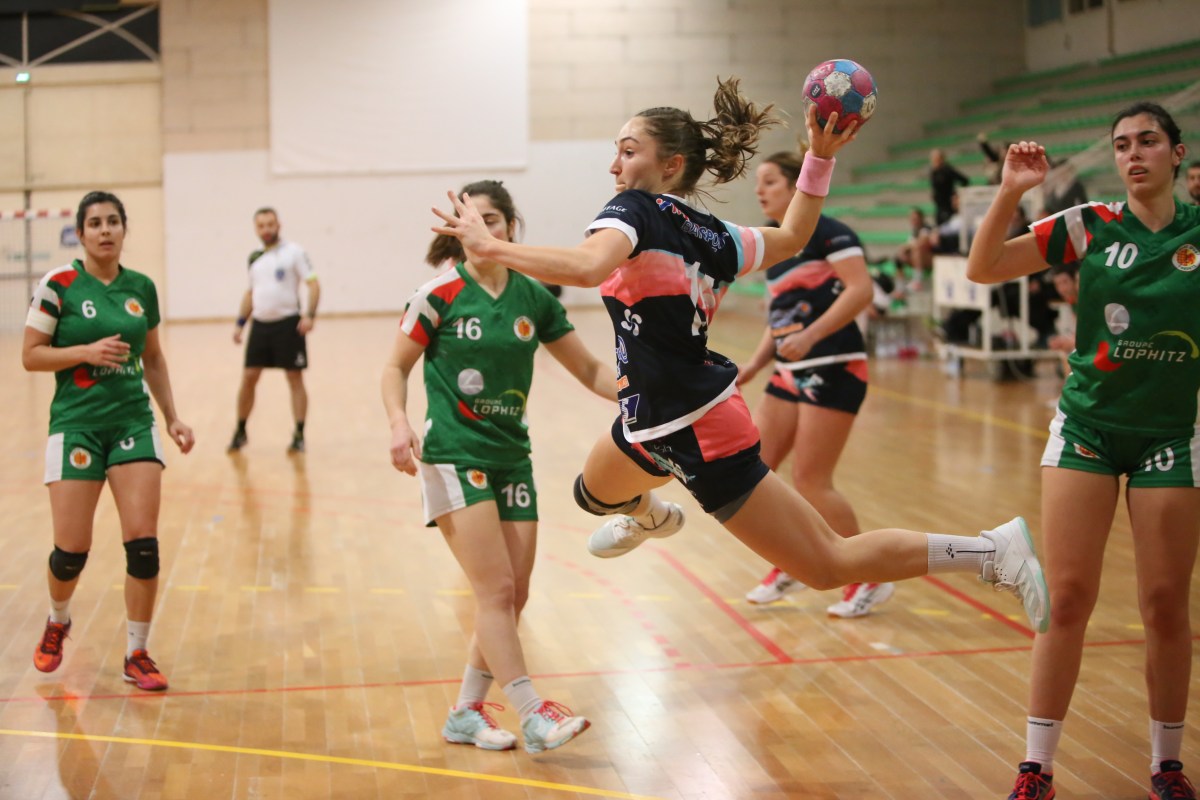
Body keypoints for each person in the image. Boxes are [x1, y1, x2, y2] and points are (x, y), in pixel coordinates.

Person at [430, 78, 1051, 648]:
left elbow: (590, 267)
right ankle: (649, 513)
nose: (614, 164)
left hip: (697, 426)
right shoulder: (714, 233)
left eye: (628, 150)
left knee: (827, 563)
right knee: (592, 495)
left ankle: (991, 552)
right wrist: (820, 155)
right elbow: (792, 237)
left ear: (669, 165)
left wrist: (492, 245)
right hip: (652, 419)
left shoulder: (630, 211)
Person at [965, 101, 1200, 800]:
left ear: (1178, 154)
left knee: (1164, 603)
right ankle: (1036, 767)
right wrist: (1010, 190)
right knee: (1067, 598)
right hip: (1088, 430)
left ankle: (1167, 765)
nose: (1133, 154)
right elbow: (983, 268)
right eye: (1123, 144)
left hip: (1169, 435)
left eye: (1149, 142)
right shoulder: (1090, 224)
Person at [383, 180, 615, 754]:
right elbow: (394, 367)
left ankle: (465, 711)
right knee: (495, 590)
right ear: (455, 230)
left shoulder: (534, 297)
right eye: (472, 220)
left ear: (511, 228)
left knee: (516, 594)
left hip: (513, 456)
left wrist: (644, 394)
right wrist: (397, 420)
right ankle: (533, 712)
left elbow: (588, 369)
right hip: (454, 455)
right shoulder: (436, 293)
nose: (483, 228)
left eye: (494, 219)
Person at [23, 190, 195, 691]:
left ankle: (136, 653)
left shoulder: (141, 287)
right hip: (75, 425)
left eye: (113, 222)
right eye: (95, 223)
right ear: (80, 233)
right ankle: (58, 620)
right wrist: (85, 350)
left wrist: (172, 417)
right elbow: (30, 355)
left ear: (124, 229)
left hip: (132, 424)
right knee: (71, 550)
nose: (105, 230)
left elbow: (155, 358)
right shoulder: (59, 284)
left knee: (143, 547)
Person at [735, 147, 889, 616]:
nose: (760, 191)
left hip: (835, 364)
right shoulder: (778, 244)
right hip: (789, 370)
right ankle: (794, 560)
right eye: (758, 183)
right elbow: (778, 317)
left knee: (811, 480)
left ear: (797, 187)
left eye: (770, 182)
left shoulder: (831, 232)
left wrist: (814, 334)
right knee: (755, 469)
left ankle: (870, 577)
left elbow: (862, 290)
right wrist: (757, 364)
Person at [228, 207, 320, 454]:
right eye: (261, 225)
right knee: (249, 378)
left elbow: (313, 284)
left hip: (288, 325)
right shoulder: (254, 258)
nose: (266, 229)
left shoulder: (294, 253)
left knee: (294, 378)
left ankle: (299, 434)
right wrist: (240, 324)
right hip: (260, 326)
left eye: (270, 224)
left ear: (278, 224)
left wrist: (309, 315)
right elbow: (250, 293)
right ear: (256, 228)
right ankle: (240, 430)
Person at [930, 148, 970, 224]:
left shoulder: (947, 170)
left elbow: (965, 180)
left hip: (948, 206)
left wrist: (957, 195)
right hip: (939, 206)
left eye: (936, 158)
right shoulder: (933, 172)